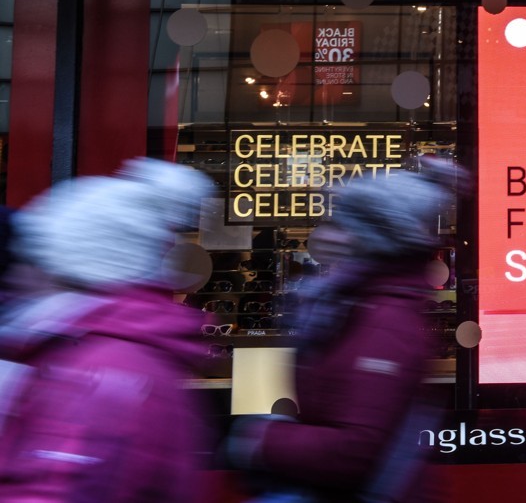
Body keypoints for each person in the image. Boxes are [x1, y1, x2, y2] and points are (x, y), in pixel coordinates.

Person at [225, 159, 460, 503]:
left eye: (341, 225)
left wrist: (259, 439)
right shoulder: (354, 305)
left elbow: (355, 450)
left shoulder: (382, 322)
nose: (328, 236)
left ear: (371, 240)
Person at [0, 157, 216, 503]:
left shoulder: (100, 376)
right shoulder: (91, 354)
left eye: (34, 261)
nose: (18, 276)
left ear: (69, 272)